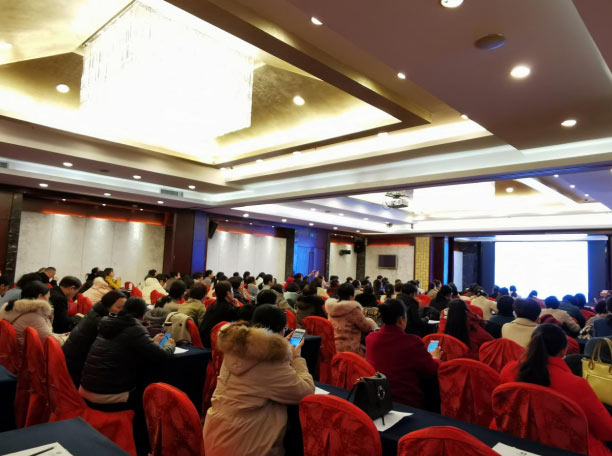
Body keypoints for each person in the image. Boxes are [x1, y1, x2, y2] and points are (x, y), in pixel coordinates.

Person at [203, 305, 314, 456]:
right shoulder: (270, 361)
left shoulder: (236, 347)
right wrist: (296, 357)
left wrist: (281, 348)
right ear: (281, 330)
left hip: (215, 436)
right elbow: (305, 392)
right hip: (248, 446)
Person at [500, 324, 612, 448]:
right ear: (563, 351)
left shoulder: (508, 370)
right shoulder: (576, 385)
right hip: (569, 447)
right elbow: (607, 431)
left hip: (513, 439)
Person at [79, 297, 175, 406]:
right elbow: (162, 355)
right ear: (142, 315)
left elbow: (125, 344)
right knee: (149, 389)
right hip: (105, 395)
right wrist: (169, 344)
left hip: (86, 388)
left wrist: (152, 342)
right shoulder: (134, 328)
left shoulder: (109, 324)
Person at [366, 299, 441, 410]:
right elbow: (432, 370)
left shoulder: (370, 338)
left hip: (378, 399)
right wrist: (435, 358)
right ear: (401, 320)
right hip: (407, 403)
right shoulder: (412, 342)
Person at [62, 290, 126, 387]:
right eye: (119, 308)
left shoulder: (96, 312)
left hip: (72, 362)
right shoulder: (102, 322)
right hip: (77, 371)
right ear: (107, 306)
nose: (123, 311)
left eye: (125, 308)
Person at [0, 280, 61, 347]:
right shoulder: (34, 315)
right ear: (40, 296)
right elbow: (51, 341)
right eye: (48, 298)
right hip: (23, 352)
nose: (48, 301)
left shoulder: (13, 307)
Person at [325, 283, 377, 356]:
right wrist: (371, 321)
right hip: (350, 348)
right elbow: (366, 327)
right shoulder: (353, 309)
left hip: (333, 346)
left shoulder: (331, 307)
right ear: (351, 296)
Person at [199, 281, 240, 348]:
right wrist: (238, 307)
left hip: (204, 340)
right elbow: (239, 320)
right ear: (228, 293)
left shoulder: (214, 304)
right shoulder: (227, 308)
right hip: (212, 343)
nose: (233, 293)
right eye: (232, 290)